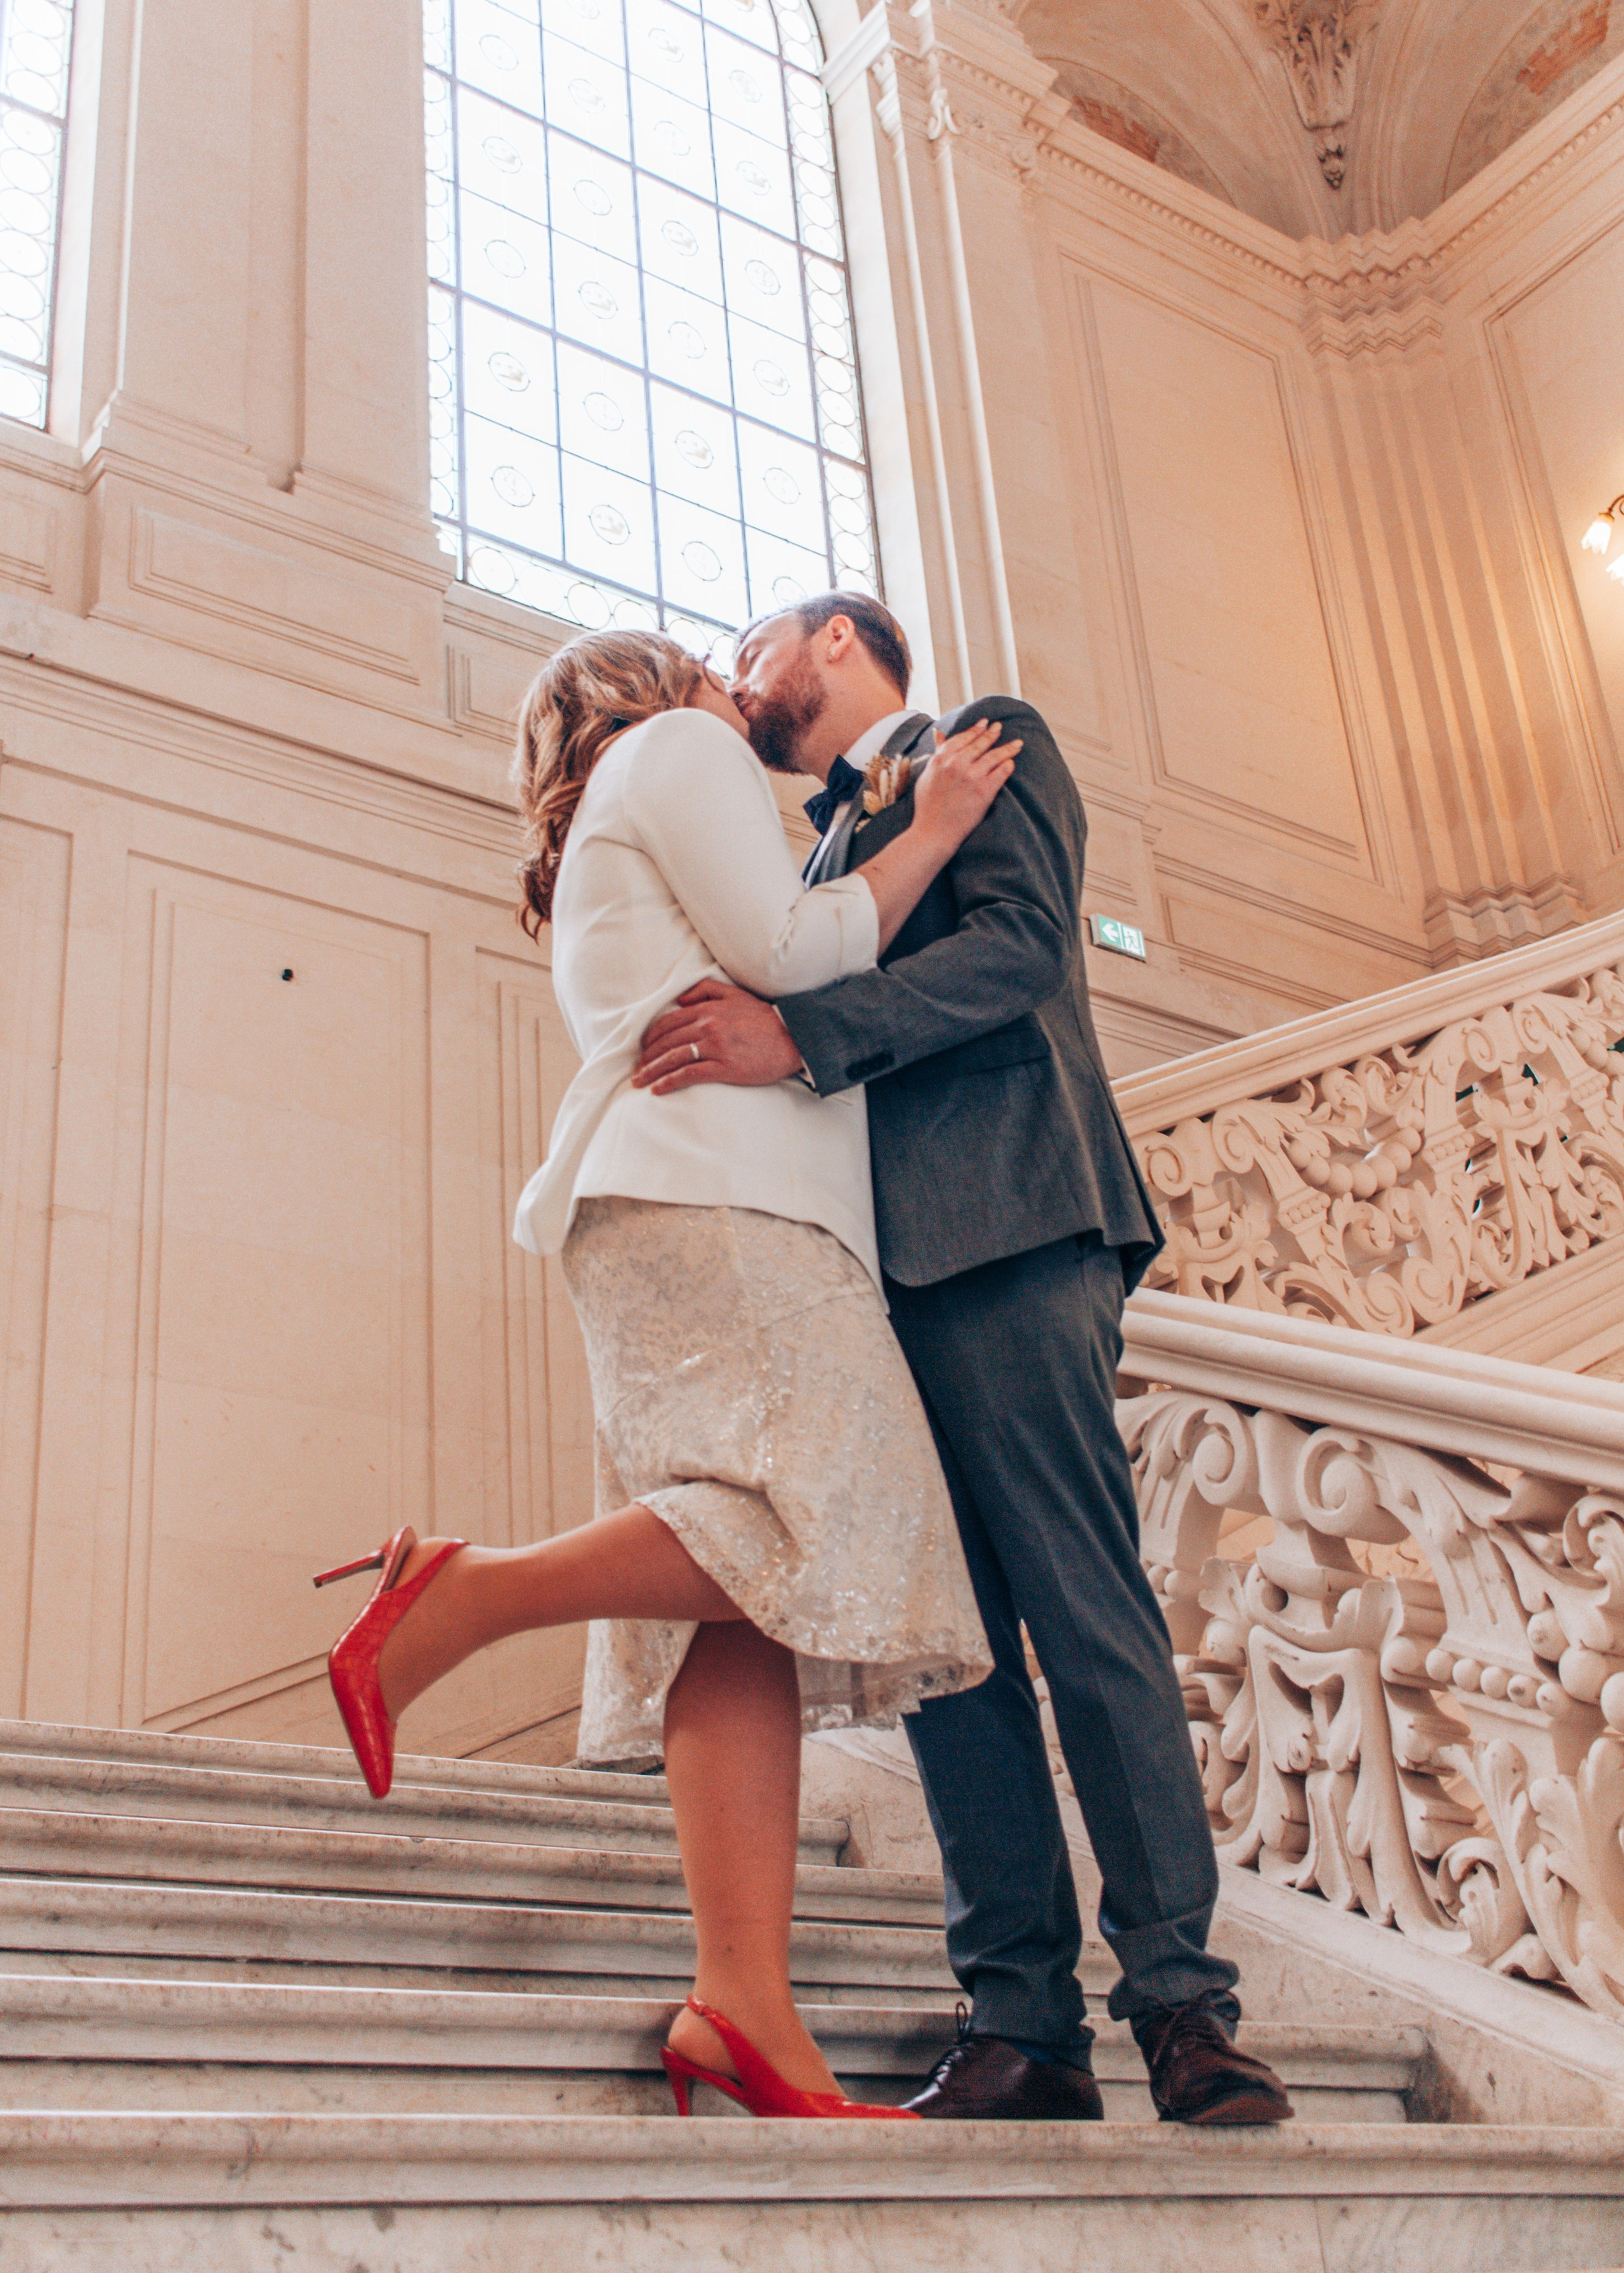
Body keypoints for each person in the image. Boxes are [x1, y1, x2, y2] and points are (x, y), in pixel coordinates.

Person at [313, 627, 1009, 2122]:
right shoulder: (680, 749)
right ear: (662, 681)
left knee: (756, 1592)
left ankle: (742, 2000)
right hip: (730, 1208)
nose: (734, 681)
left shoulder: (609, 815)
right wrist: (933, 830)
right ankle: (465, 1592)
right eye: (712, 656)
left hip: (682, 1207)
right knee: (843, 1518)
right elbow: (793, 954)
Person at [634, 593, 1292, 2127]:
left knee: (1082, 1612)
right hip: (864, 1286)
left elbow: (1010, 956)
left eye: (754, 652)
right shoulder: (806, 857)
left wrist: (800, 1036)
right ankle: (1020, 2027)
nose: (741, 682)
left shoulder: (983, 744)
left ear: (840, 639)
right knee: (947, 1664)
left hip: (1004, 1229)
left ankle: (1185, 2010)